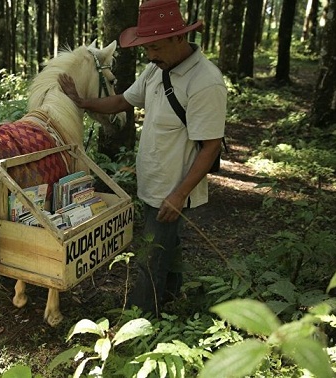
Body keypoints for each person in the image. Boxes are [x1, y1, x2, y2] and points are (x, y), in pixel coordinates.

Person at [58, 0, 227, 316]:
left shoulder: (205, 81)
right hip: (153, 184)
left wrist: (178, 195)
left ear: (179, 38)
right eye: (147, 49)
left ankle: (140, 320)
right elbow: (123, 101)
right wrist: (81, 101)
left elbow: (211, 146)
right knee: (168, 250)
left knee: (150, 256)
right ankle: (173, 302)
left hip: (173, 190)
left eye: (156, 48)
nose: (150, 55)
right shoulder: (156, 68)